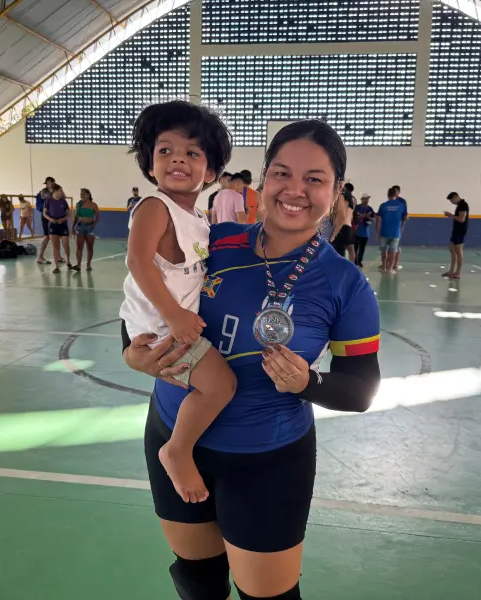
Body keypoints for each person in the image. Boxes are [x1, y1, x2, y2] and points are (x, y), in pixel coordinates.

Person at [122, 119, 381, 600]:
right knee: (197, 580)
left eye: (314, 179)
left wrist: (309, 384)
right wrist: (132, 355)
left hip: (267, 460)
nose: (295, 190)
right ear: (264, 180)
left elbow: (362, 389)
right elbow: (142, 302)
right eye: (282, 173)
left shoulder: (345, 283)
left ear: (336, 189)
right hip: (173, 434)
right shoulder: (213, 242)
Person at [120, 100, 237, 505]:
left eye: (192, 152)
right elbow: (138, 261)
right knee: (221, 385)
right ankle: (177, 450)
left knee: (217, 383)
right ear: (149, 163)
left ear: (212, 172)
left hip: (172, 324)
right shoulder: (155, 206)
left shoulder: (200, 219)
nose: (177, 160)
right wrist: (173, 313)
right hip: (161, 328)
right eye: (165, 150)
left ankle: (180, 446)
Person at [376, 187, 408, 274]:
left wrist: (378, 232)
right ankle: (390, 269)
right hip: (396, 232)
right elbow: (405, 218)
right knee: (393, 250)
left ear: (388, 195)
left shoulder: (383, 206)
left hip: (384, 232)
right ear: (396, 195)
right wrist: (401, 229)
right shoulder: (401, 205)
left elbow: (379, 220)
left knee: (384, 251)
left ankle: (384, 266)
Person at [44, 185, 72, 273]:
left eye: (61, 191)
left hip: (62, 224)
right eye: (60, 191)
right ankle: (56, 266)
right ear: (54, 191)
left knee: (66, 244)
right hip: (53, 224)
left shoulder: (63, 201)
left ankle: (68, 261)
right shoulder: (48, 201)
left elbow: (68, 213)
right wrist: (50, 219)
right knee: (55, 246)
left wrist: (63, 219)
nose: (61, 192)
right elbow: (44, 213)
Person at [70, 188, 99, 272]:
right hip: (80, 227)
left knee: (90, 247)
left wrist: (92, 226)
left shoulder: (94, 205)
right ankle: (78, 265)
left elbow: (97, 219)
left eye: (84, 194)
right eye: (81, 194)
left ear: (88, 195)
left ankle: (88, 265)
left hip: (89, 227)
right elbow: (76, 217)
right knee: (79, 247)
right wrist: (73, 227)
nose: (82, 195)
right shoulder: (78, 204)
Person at [443, 192, 469, 279]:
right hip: (456, 230)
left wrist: (451, 215)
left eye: (452, 200)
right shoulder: (460, 205)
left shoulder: (463, 205)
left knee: (458, 250)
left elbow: (462, 219)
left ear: (456, 197)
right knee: (451, 248)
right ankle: (451, 270)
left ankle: (458, 272)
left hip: (460, 230)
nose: (452, 202)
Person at [37, 177, 62, 264]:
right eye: (47, 183)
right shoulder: (44, 191)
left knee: (56, 236)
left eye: (50, 182)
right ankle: (40, 257)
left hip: (55, 215)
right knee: (47, 236)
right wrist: (55, 192)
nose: (48, 184)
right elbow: (47, 197)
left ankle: (58, 256)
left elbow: (61, 197)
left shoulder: (57, 190)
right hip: (46, 215)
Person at [331, 182, 356, 260]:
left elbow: (341, 217)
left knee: (339, 252)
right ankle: (352, 268)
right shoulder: (353, 201)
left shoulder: (342, 199)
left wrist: (334, 233)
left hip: (341, 227)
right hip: (349, 227)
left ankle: (341, 269)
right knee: (351, 250)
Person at [353, 192, 374, 268]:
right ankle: (354, 262)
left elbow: (372, 219)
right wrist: (361, 216)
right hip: (357, 232)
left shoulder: (370, 209)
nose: (367, 200)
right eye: (366, 199)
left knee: (362, 249)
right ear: (362, 199)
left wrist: (368, 217)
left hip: (365, 233)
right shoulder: (357, 208)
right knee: (355, 248)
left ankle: (359, 261)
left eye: (368, 199)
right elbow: (353, 218)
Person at [391, 185, 408, 271]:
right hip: (390, 226)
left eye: (396, 191)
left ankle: (395, 264)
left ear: (398, 192)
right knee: (389, 245)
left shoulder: (402, 202)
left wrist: (402, 226)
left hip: (398, 225)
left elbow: (405, 215)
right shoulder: (390, 201)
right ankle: (388, 263)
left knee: (396, 245)